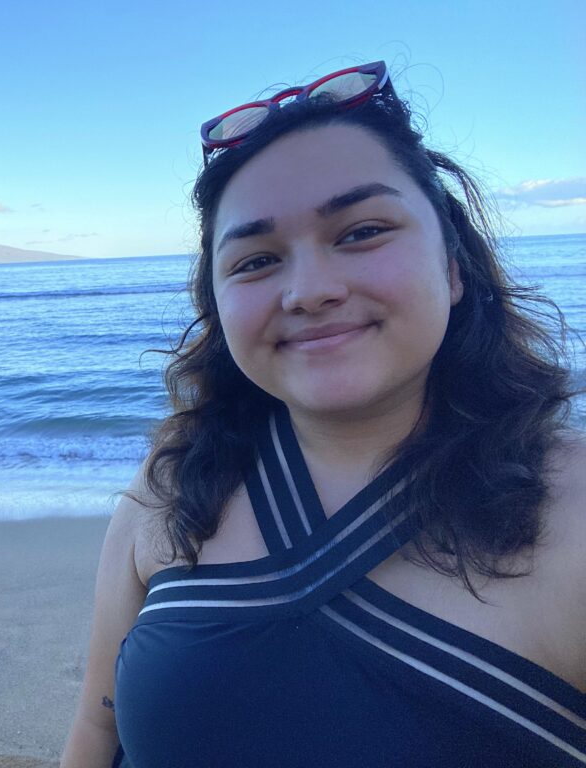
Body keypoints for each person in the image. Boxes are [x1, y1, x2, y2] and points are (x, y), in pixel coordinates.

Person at [60, 61, 586, 767]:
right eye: (255, 261)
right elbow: (99, 733)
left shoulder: (571, 512)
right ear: (217, 305)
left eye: (362, 231)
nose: (308, 291)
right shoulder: (170, 490)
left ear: (454, 268)